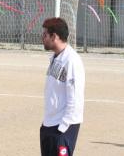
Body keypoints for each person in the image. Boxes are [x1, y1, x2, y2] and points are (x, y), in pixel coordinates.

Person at [40, 17, 85, 156]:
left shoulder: (72, 61)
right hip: (49, 124)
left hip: (62, 128)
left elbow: (75, 98)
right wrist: (46, 124)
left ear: (54, 36)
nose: (42, 38)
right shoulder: (56, 57)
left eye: (45, 34)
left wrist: (63, 127)